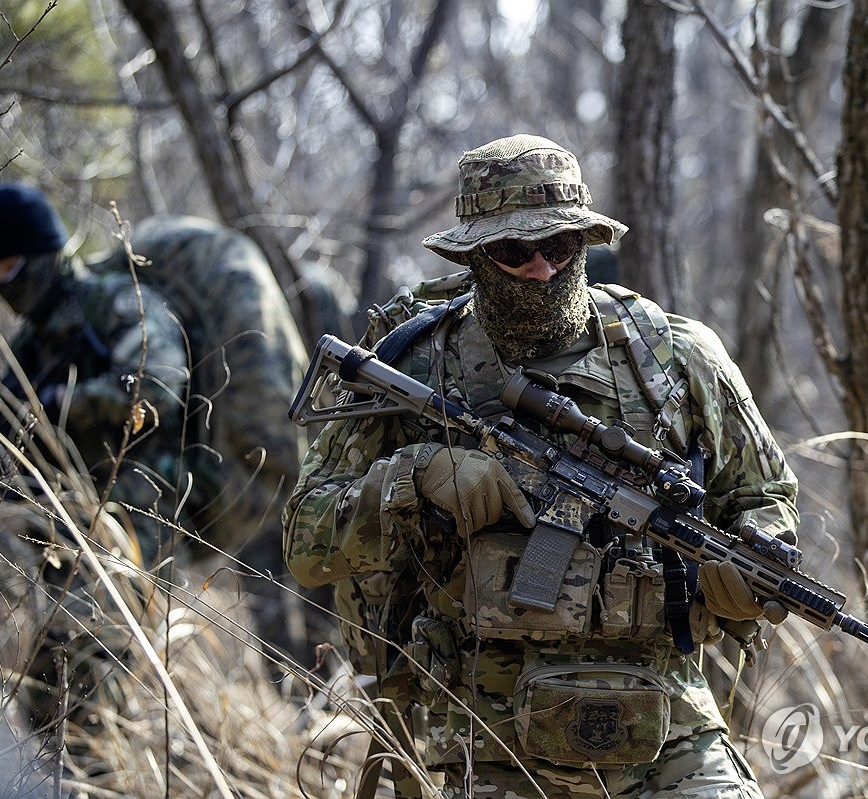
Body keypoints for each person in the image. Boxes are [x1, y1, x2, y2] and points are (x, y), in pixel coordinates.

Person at [283, 134, 800, 798]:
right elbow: (304, 541)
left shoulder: (675, 358)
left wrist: (752, 563)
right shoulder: (410, 361)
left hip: (666, 722)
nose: (541, 269)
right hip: (471, 731)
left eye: (560, 246)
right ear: (472, 254)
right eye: (514, 250)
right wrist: (413, 478)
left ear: (585, 243)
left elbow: (766, 494)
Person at [0, 182, 189, 563]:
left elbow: (160, 385)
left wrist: (63, 402)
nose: (3, 284)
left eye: (10, 267)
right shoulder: (34, 341)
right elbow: (5, 410)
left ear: (43, 253)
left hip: (138, 512)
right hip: (71, 527)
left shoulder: (114, 302)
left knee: (105, 621)